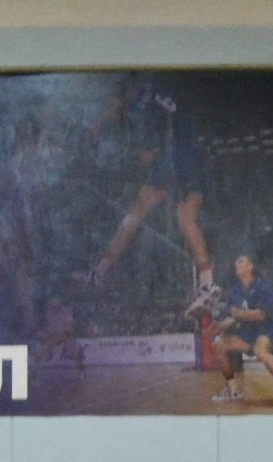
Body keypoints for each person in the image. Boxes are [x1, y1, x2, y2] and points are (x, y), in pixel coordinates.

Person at [80, 74, 215, 315]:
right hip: (196, 155)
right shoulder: (156, 92)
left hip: (175, 156)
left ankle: (99, 272)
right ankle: (207, 284)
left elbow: (147, 153)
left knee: (136, 213)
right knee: (185, 217)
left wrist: (100, 131)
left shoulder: (141, 100)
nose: (114, 106)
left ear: (126, 92)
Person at [210, 253, 273, 410]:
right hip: (249, 332)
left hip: (269, 328)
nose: (236, 263)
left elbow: (260, 314)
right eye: (236, 261)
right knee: (219, 345)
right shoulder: (235, 291)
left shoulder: (262, 287)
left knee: (260, 351)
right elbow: (233, 318)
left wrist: (238, 313)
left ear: (249, 267)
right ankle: (233, 390)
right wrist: (221, 325)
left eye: (240, 261)